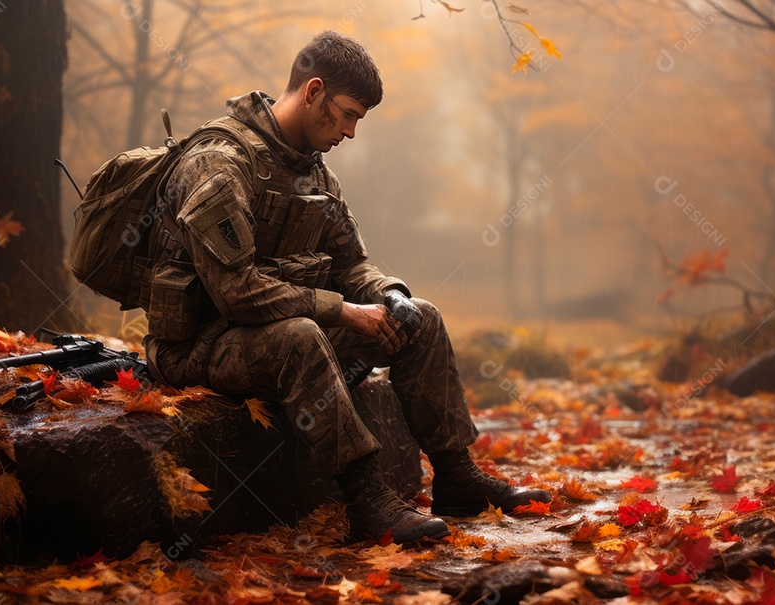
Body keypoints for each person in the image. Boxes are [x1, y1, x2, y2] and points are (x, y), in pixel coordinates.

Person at [141, 30, 550, 543]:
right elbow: (236, 293)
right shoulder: (219, 163)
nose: (352, 132)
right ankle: (368, 499)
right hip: (200, 345)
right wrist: (347, 313)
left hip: (268, 336)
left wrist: (390, 296)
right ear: (313, 92)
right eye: (350, 114)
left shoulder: (314, 173)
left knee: (421, 317)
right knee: (300, 336)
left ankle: (456, 475)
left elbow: (352, 264)